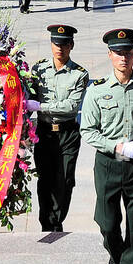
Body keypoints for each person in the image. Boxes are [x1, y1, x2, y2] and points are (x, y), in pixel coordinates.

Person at [82, 28, 133, 264]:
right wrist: (117, 146)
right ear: (110, 55)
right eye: (118, 53)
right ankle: (116, 255)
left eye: (128, 52)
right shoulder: (97, 91)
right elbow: (88, 131)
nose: (123, 58)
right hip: (108, 163)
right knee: (107, 222)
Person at [29, 25, 89, 232]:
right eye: (56, 43)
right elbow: (29, 98)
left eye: (64, 44)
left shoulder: (80, 74)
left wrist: (41, 106)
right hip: (44, 132)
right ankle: (47, 222)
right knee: (45, 179)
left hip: (67, 133)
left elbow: (71, 106)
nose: (59, 48)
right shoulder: (38, 69)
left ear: (71, 46)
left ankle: (56, 220)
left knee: (64, 181)